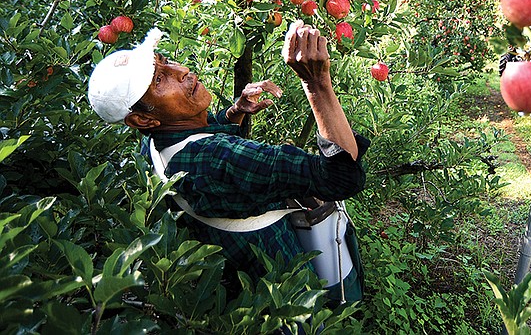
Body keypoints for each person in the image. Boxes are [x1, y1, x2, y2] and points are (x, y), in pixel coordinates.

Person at [87, 20, 368, 301]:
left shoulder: (153, 145)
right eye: (159, 80)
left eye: (164, 62)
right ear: (143, 118)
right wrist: (316, 83)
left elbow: (193, 134)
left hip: (237, 279)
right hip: (280, 288)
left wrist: (235, 111)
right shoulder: (220, 160)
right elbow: (340, 178)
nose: (182, 71)